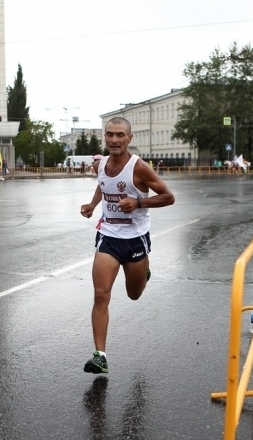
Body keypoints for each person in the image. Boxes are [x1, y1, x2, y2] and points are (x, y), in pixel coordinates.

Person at [80, 117, 175, 374]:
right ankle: (100, 356)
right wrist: (92, 205)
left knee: (134, 294)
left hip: (135, 238)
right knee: (101, 294)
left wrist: (139, 202)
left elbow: (169, 197)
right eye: (110, 134)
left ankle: (144, 271)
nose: (114, 139)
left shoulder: (139, 168)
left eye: (120, 135)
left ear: (129, 138)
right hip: (108, 236)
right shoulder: (100, 164)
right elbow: (103, 186)